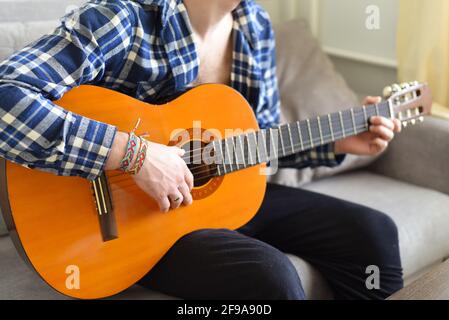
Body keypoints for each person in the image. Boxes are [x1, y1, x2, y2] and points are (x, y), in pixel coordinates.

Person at [0, 0, 403, 299]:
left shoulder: (254, 25)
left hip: (220, 201)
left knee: (375, 231)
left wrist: (335, 142)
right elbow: (8, 96)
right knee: (270, 278)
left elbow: (253, 143)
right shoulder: (123, 18)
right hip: (128, 224)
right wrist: (134, 155)